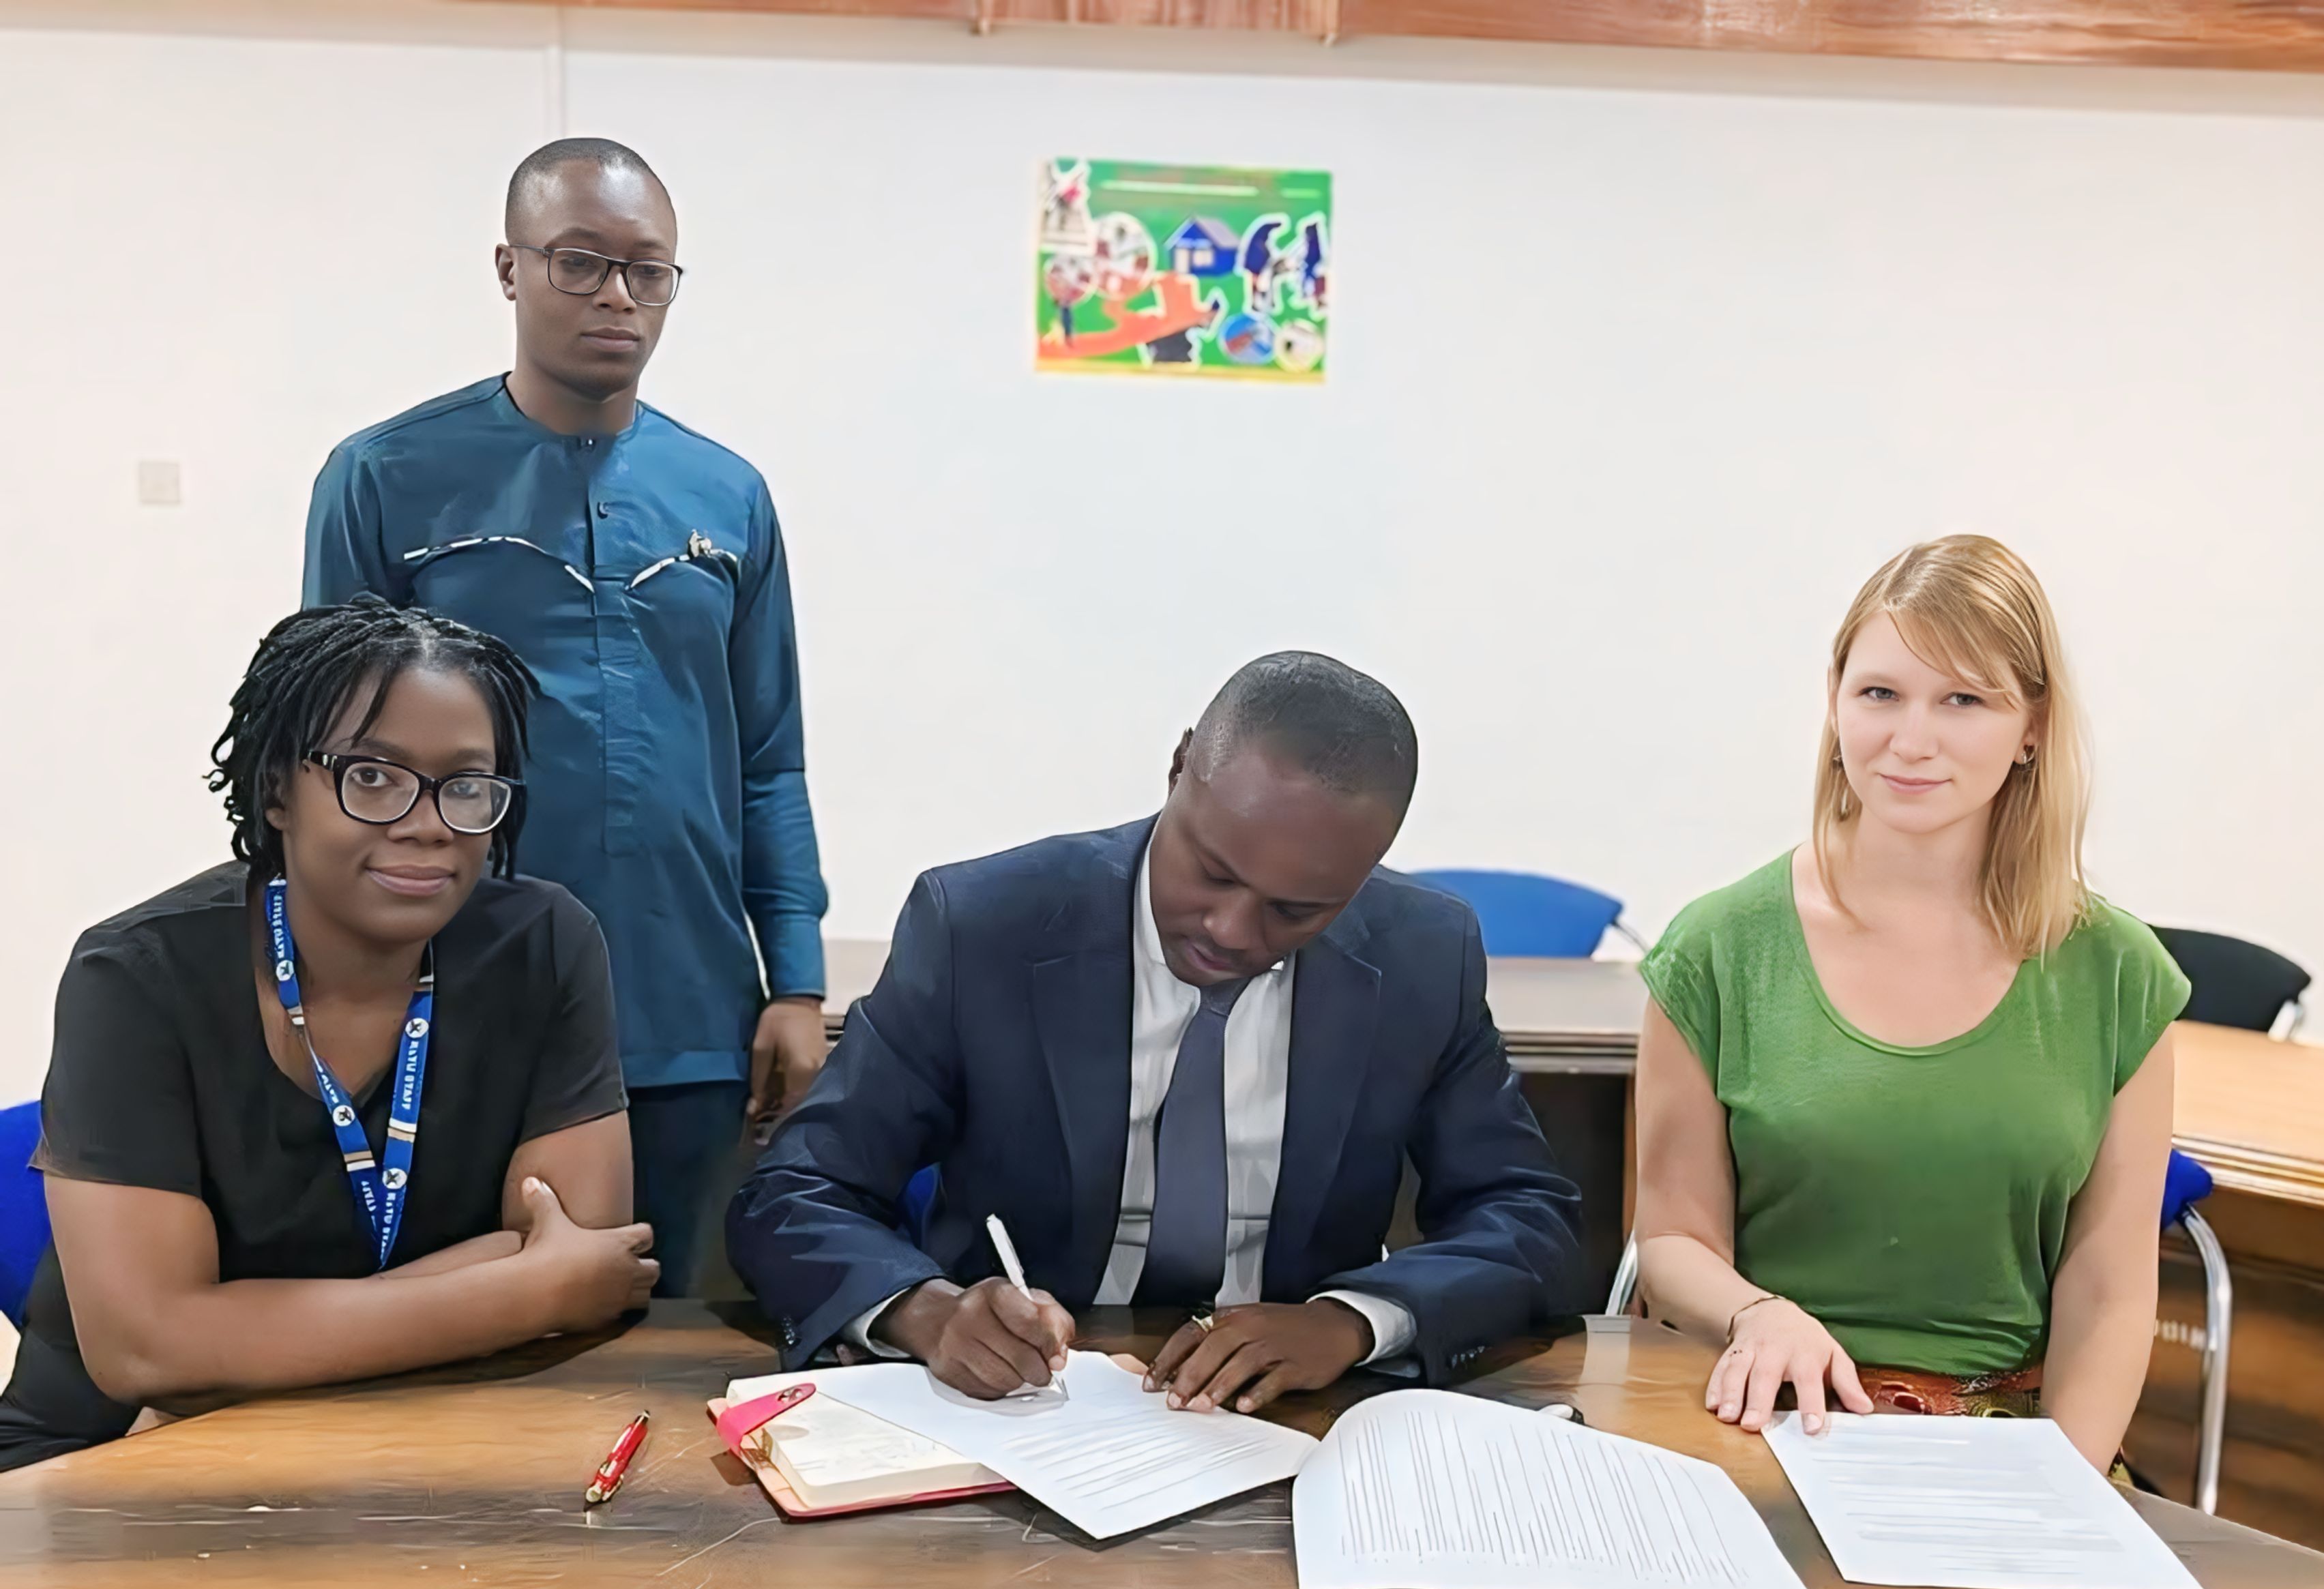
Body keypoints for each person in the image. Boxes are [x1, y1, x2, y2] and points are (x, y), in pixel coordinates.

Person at [729, 652, 1591, 1412]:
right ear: (1179, 769)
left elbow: (1525, 1215)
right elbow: (796, 1192)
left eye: (1297, 911)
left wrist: (1350, 1323)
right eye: (1211, 872)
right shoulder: (983, 928)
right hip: (1026, 1406)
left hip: (1296, 1414)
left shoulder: (1422, 956)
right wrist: (928, 1312)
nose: (1232, 931)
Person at [301, 137, 825, 1296]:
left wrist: (793, 980)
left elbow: (768, 757)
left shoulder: (728, 496)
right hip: (453, 1003)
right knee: (466, 1329)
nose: (617, 298)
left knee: (686, 1338)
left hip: (689, 1011)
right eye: (580, 262)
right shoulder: (384, 477)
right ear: (510, 266)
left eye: (648, 271)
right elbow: (327, 767)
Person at [0, 599, 658, 1474]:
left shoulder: (543, 944)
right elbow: (144, 1353)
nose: (428, 822)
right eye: (373, 776)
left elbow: (584, 1244)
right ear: (279, 790)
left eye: (467, 785)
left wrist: (227, 1357)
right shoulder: (136, 975)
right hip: (113, 1451)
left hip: (426, 1428)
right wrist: (528, 1292)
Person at [1632, 536, 2188, 1474]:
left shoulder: (2120, 974)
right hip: (1765, 1427)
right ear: (1835, 701)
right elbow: (1673, 1242)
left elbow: (2110, 1292)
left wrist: (2061, 1490)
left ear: (2033, 726)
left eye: (1964, 699)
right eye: (1880, 693)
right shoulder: (1717, 948)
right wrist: (1757, 1313)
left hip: (2010, 1444)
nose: (1912, 739)